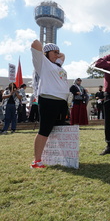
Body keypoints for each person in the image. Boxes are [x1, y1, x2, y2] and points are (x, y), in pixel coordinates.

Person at [30, 40, 69, 168]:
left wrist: (57, 53)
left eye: (58, 52)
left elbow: (63, 56)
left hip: (61, 101)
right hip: (49, 99)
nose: (58, 55)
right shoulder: (42, 63)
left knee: (60, 128)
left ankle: (58, 157)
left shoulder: (57, 65)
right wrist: (44, 51)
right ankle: (37, 160)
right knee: (45, 129)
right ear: (46, 53)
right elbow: (35, 44)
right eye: (54, 52)